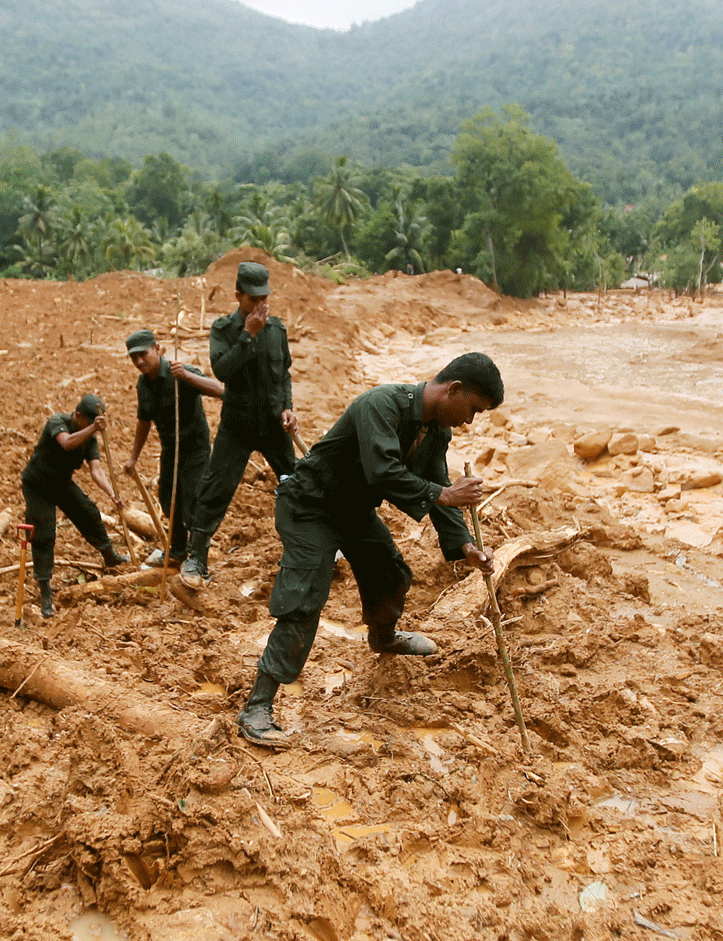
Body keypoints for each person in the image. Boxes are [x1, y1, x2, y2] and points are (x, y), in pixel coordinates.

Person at [237, 353, 501, 747]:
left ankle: (384, 636)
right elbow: (384, 472)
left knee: (389, 573)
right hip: (310, 505)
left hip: (353, 510)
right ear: (454, 389)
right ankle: (258, 704)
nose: (470, 421)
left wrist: (466, 547)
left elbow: (437, 488)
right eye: (473, 409)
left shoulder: (436, 433)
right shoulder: (381, 404)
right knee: (305, 594)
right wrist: (444, 494)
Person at [183, 261, 299, 584]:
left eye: (264, 299)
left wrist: (289, 408)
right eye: (252, 299)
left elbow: (284, 374)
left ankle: (308, 551)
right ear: (238, 296)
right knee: (215, 488)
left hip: (274, 425)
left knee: (295, 485)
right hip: (237, 425)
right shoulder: (223, 330)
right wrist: (248, 335)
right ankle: (196, 559)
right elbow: (222, 370)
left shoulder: (277, 330)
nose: (260, 306)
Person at [20, 393, 128, 618]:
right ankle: (44, 589)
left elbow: (96, 470)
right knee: (44, 531)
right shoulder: (58, 422)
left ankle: (109, 555)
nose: (91, 428)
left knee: (89, 512)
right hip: (38, 485)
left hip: (61, 483)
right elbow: (67, 443)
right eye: (88, 423)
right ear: (77, 415)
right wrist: (93, 429)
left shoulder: (90, 438)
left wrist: (112, 494)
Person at [125, 330, 223, 569]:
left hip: (195, 451)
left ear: (157, 349)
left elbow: (219, 390)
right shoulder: (143, 384)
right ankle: (177, 551)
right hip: (171, 451)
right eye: (134, 358)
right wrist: (133, 458)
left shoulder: (179, 372)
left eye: (143, 354)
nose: (139, 362)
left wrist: (188, 377)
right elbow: (143, 421)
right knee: (169, 501)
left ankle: (197, 558)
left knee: (192, 503)